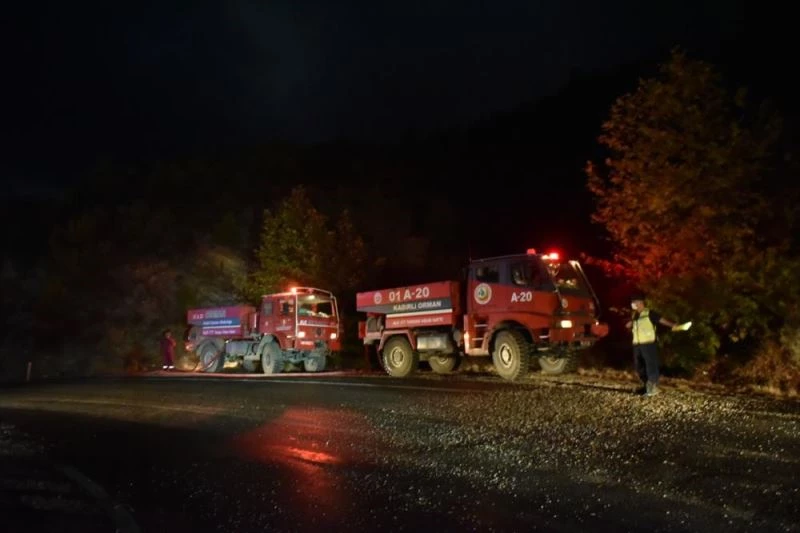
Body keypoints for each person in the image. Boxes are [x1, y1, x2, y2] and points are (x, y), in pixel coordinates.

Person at [625, 293, 680, 397]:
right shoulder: (635, 315)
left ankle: (653, 387)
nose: (632, 304)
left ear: (640, 302)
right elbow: (635, 325)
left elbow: (661, 320)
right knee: (639, 366)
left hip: (648, 344)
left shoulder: (649, 313)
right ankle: (646, 386)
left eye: (634, 302)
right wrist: (630, 324)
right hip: (637, 344)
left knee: (651, 365)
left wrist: (673, 325)